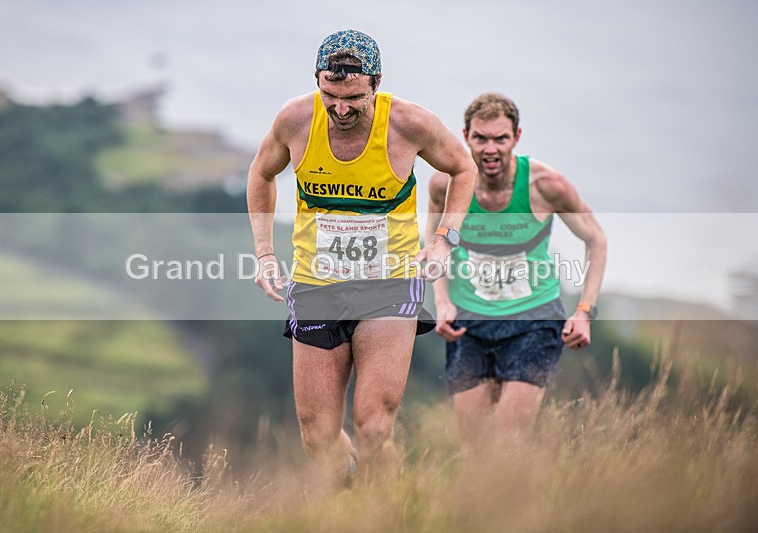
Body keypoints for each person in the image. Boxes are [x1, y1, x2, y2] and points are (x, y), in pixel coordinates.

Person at [246, 29, 476, 482]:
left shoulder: (410, 124)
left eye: (354, 97)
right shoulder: (295, 120)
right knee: (318, 438)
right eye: (330, 95)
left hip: (389, 285)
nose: (341, 108)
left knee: (373, 427)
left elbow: (462, 167)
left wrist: (444, 239)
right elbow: (260, 174)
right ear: (317, 80)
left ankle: (388, 514)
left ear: (376, 83)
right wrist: (264, 253)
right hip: (316, 285)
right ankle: (352, 488)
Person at [427, 93, 607, 451]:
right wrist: (442, 302)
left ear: (517, 137)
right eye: (480, 138)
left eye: (500, 138)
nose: (490, 149)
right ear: (466, 136)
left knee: (508, 441)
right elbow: (435, 244)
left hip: (533, 323)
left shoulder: (546, 185)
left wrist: (584, 311)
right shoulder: (444, 184)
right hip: (469, 323)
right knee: (474, 448)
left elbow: (597, 239)